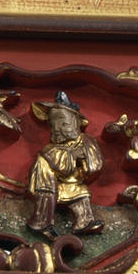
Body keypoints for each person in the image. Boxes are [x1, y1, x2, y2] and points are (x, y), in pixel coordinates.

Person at [27, 91, 104, 238]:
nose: (57, 129)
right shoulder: (49, 150)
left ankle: (84, 223)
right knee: (45, 196)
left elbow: (96, 164)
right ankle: (42, 223)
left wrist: (86, 160)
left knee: (82, 195)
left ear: (76, 123)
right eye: (52, 125)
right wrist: (72, 155)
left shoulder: (86, 141)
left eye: (64, 124)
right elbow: (59, 164)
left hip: (73, 183)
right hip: (48, 186)